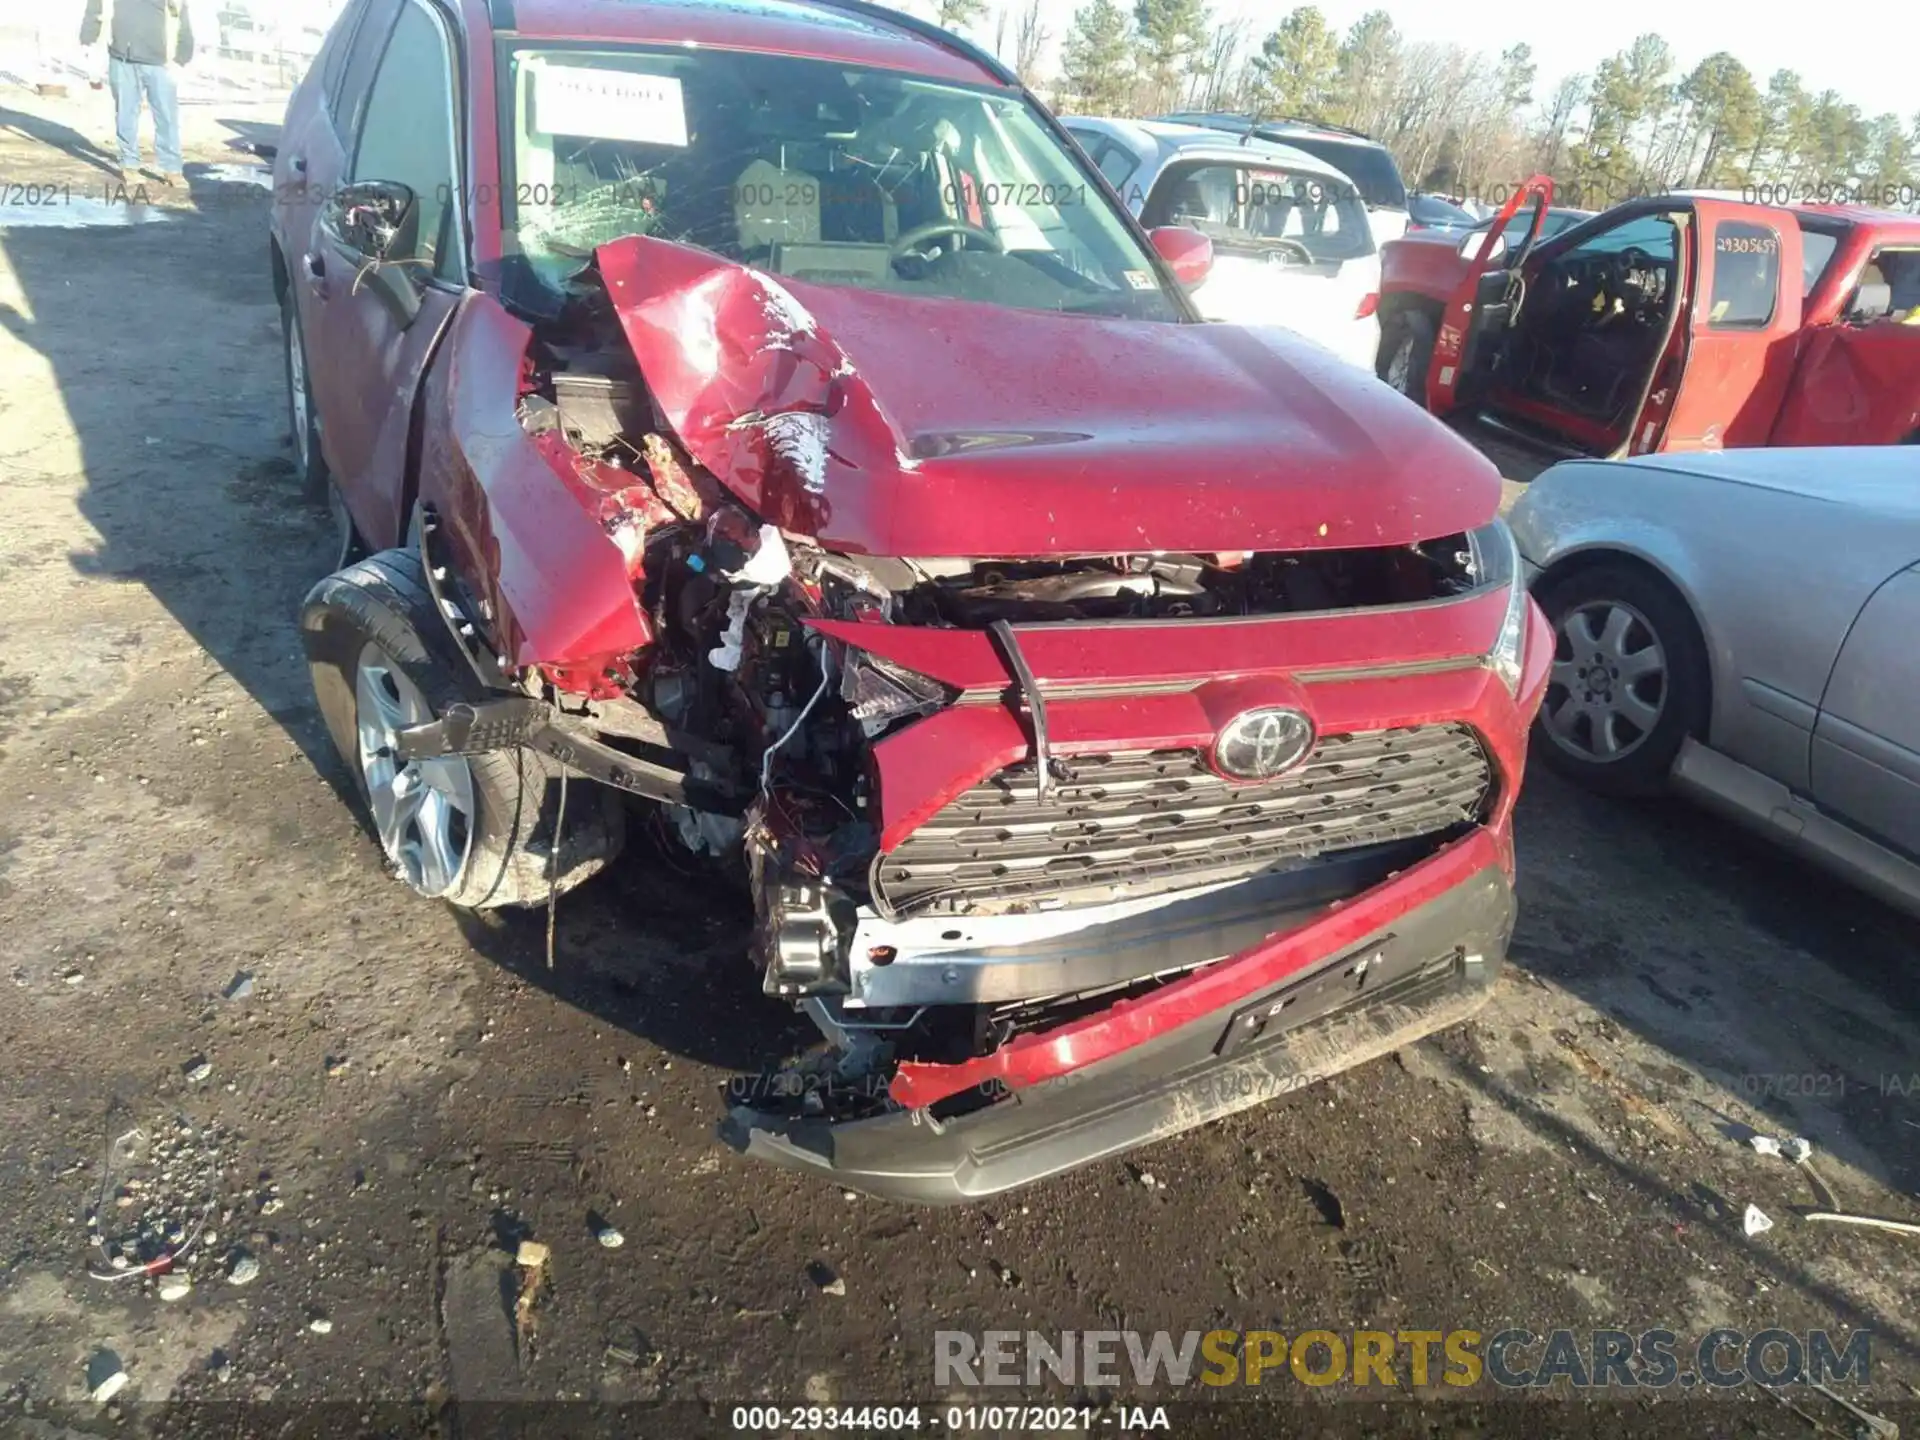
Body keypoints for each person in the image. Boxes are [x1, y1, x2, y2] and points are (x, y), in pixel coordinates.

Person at [80, 0, 194, 189]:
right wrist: (87, 40)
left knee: (167, 117)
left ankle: (172, 169)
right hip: (122, 59)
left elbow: (182, 18)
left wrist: (182, 57)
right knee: (126, 114)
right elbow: (95, 10)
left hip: (161, 64)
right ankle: (130, 165)